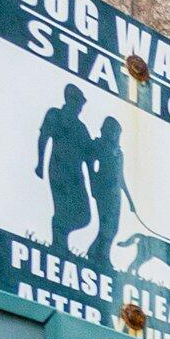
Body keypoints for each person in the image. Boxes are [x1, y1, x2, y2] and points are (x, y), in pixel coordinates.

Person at [36, 86, 93, 255]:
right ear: (71, 100)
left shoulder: (81, 128)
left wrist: (93, 181)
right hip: (59, 169)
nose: (80, 107)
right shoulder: (55, 115)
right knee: (62, 208)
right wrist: (40, 163)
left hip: (76, 175)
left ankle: (60, 243)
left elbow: (88, 157)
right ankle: (59, 246)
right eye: (78, 103)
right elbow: (43, 137)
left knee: (84, 215)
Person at [85, 116, 131, 267]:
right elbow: (91, 164)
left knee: (114, 227)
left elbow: (121, 177)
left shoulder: (119, 153)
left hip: (116, 193)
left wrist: (130, 201)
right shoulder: (100, 145)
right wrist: (94, 182)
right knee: (106, 224)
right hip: (104, 189)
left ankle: (99, 253)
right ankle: (99, 254)